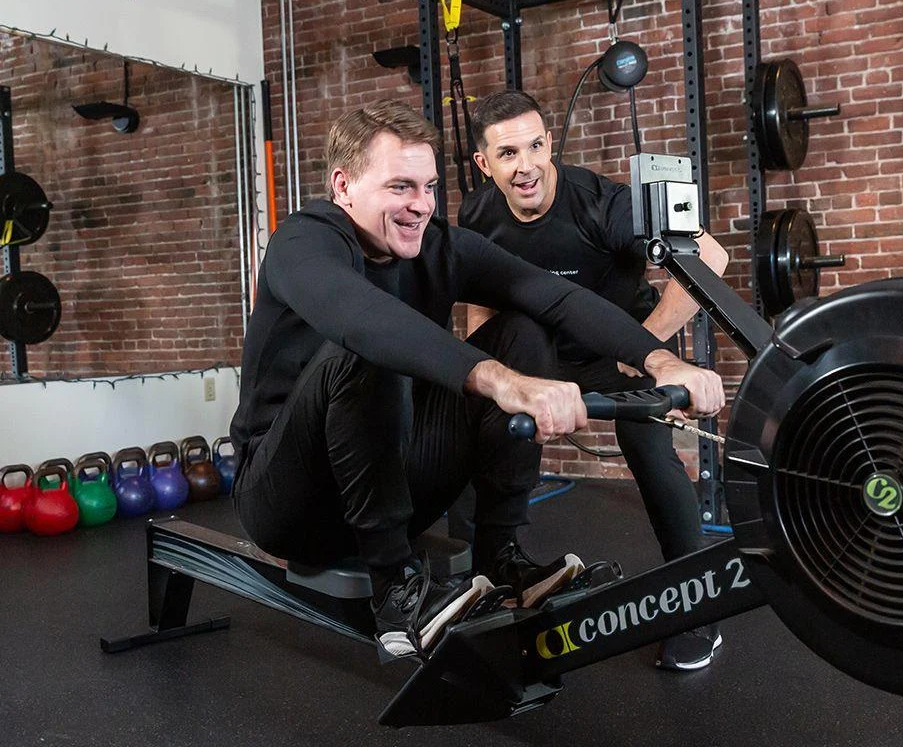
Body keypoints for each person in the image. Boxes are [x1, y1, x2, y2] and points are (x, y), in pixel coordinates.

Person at [228, 100, 724, 660]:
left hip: (391, 485)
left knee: (523, 331)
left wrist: (659, 360)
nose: (421, 205)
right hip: (288, 503)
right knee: (368, 348)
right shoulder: (303, 241)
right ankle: (394, 589)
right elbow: (361, 319)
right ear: (343, 187)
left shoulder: (436, 244)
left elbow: (554, 296)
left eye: (428, 187)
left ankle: (501, 556)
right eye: (400, 187)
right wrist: (499, 381)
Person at [457, 90, 730, 671]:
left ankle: (698, 610)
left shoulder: (602, 203)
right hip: (540, 357)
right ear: (484, 164)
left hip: (624, 350)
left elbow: (710, 256)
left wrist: (648, 346)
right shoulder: (477, 214)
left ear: (549, 143)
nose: (526, 166)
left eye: (536, 146)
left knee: (647, 444)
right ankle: (490, 579)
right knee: (477, 428)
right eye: (508, 154)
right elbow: (482, 302)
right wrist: (491, 375)